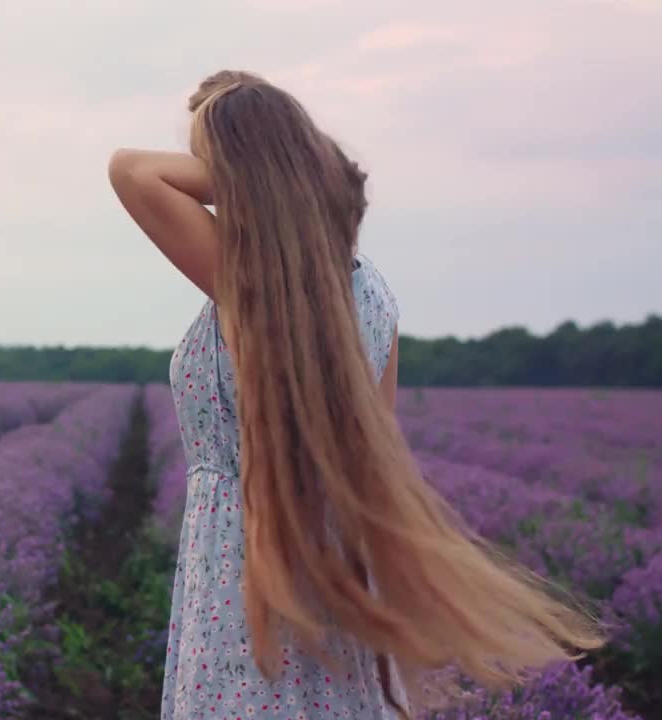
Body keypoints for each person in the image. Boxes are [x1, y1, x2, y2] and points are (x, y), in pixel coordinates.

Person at [108, 70, 603, 719]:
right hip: (333, 554)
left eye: (207, 160)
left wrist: (259, 177)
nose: (199, 176)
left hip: (247, 562)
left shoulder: (249, 280)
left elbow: (131, 171)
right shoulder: (370, 294)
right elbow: (381, 446)